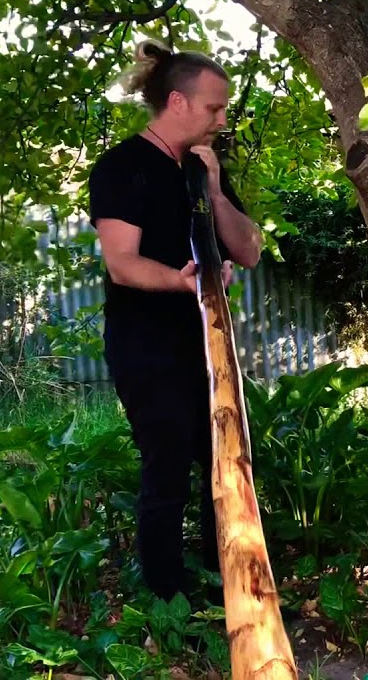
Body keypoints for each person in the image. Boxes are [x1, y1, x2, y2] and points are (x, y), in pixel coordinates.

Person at [86, 39, 263, 602]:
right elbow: (122, 264)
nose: (222, 118)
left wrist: (214, 188)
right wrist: (185, 283)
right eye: (215, 108)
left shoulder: (201, 169)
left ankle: (228, 583)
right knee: (167, 462)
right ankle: (167, 599)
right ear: (178, 103)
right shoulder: (122, 168)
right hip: (146, 343)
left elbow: (250, 250)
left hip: (210, 342)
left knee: (224, 457)